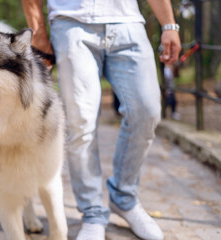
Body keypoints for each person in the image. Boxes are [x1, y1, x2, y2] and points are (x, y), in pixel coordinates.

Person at [21, 1, 181, 240]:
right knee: (80, 123)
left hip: (129, 23)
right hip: (71, 22)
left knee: (146, 111)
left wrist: (169, 24)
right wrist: (39, 33)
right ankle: (93, 212)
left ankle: (124, 198)